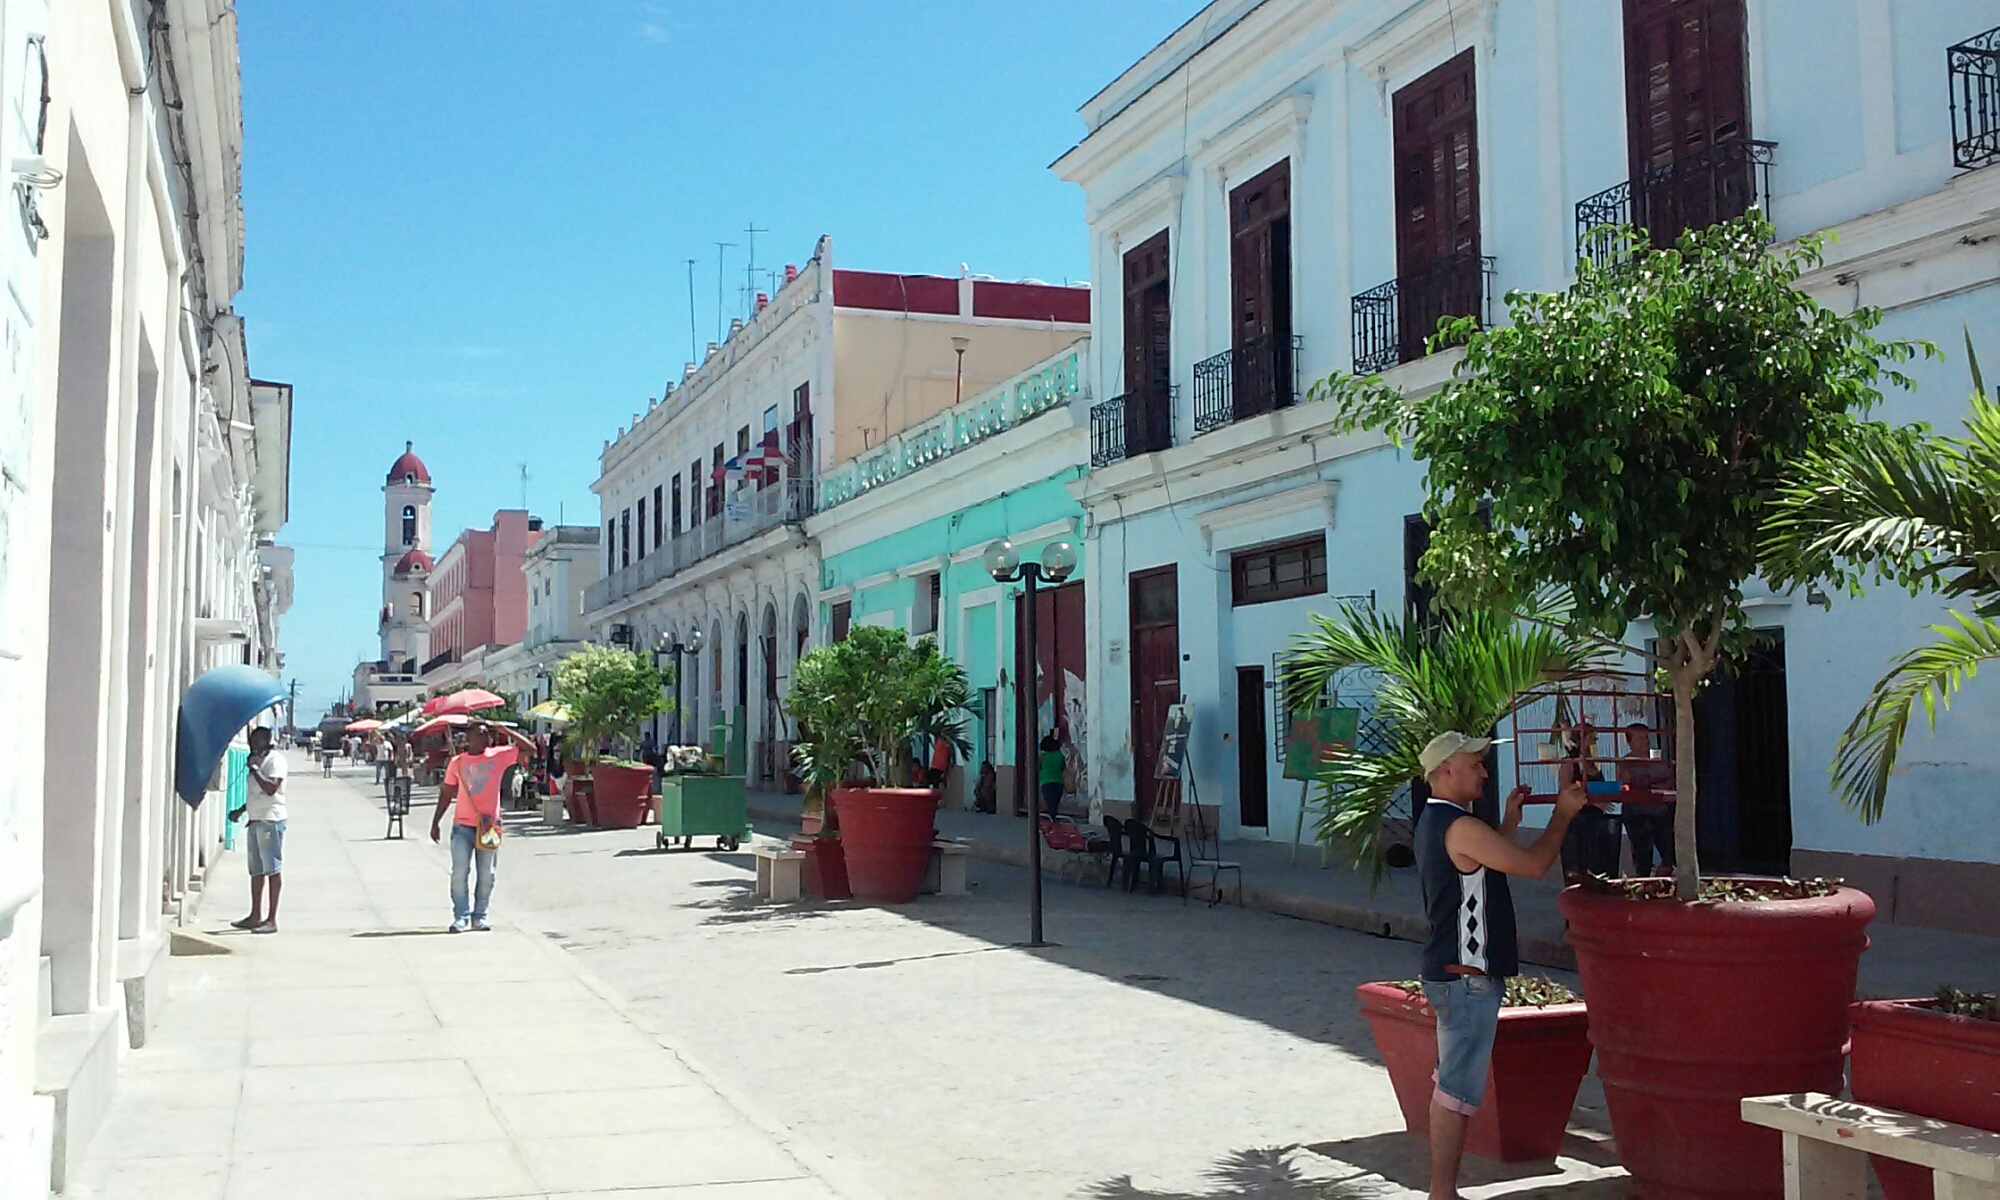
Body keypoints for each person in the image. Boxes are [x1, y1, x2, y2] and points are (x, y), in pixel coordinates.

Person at [1415, 731, 1587, 1200]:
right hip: (1466, 977)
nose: (1484, 773)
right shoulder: (1461, 826)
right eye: (1475, 765)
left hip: (1454, 974)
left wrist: (1509, 823)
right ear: (1447, 770)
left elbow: (1483, 864)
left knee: (1450, 1086)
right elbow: (1532, 865)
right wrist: (1561, 816)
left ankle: (1442, 1190)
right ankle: (1442, 1192)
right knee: (1455, 1092)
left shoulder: (1438, 820)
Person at [429, 719, 536, 932]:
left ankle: (480, 916)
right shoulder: (457, 762)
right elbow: (446, 793)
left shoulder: (498, 756)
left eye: (487, 733)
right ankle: (461, 916)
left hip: (489, 826)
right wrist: (436, 822)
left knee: (487, 873)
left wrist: (506, 731)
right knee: (460, 872)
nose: (485, 737)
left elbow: (530, 749)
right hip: (463, 826)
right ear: (468, 739)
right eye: (480, 734)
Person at [231, 727, 289, 934]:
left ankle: (271, 919)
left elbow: (271, 789)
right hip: (255, 820)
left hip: (270, 820)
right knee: (256, 870)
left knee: (272, 868)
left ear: (267, 741)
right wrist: (240, 811)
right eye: (251, 741)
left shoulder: (275, 761)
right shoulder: (257, 760)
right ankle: (255, 915)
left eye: (257, 741)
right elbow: (256, 794)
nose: (253, 745)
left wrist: (255, 769)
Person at [1618, 722, 1676, 875]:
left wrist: (1663, 787)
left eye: (1646, 737)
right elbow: (1623, 785)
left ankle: (1663, 875)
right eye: (1640, 738)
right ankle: (1644, 878)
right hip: (1638, 812)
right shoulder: (1625, 763)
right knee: (1643, 854)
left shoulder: (1657, 758)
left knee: (1669, 853)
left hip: (1661, 811)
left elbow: (1670, 779)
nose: (1646, 741)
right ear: (1630, 742)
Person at [1037, 733, 1065, 820]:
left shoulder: (1042, 756)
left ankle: (1052, 822)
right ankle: (1054, 820)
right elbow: (1063, 767)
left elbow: (1037, 767)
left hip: (1046, 783)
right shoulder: (1060, 755)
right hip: (1059, 783)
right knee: (1055, 804)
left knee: (1049, 805)